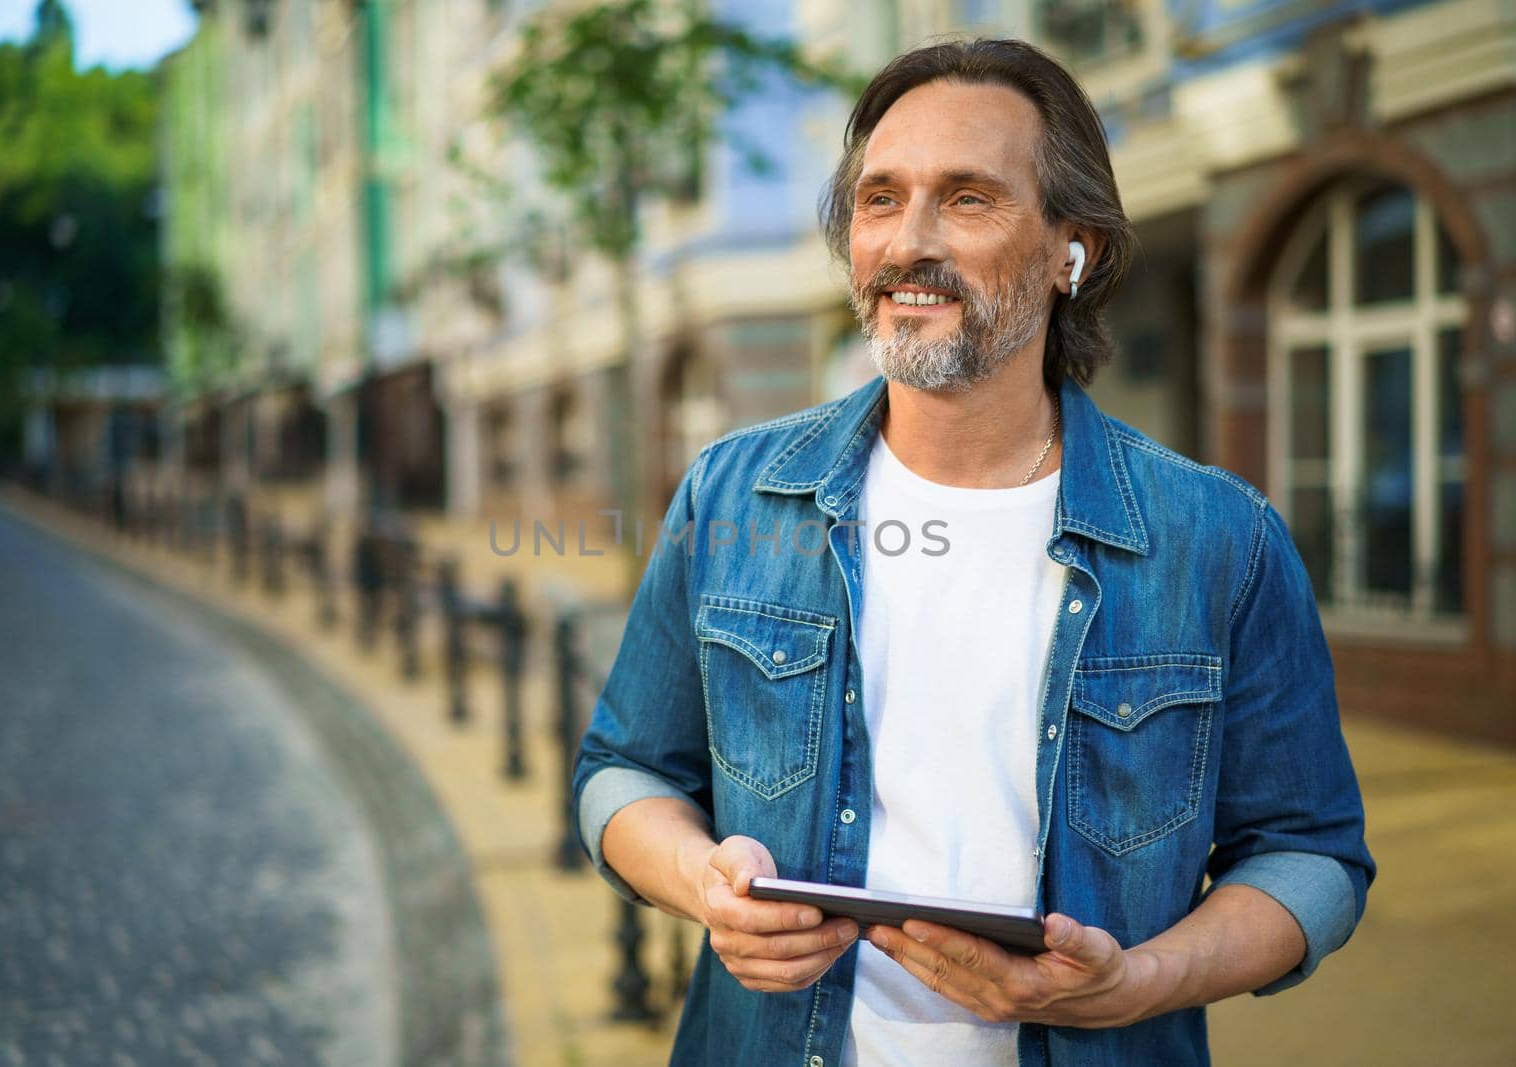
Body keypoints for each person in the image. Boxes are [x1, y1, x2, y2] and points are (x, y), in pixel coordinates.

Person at [572, 37, 1374, 1067]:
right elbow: (621, 769)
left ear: (1068, 251)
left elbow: (1311, 853)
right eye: (878, 198)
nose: (908, 241)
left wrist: (1140, 981)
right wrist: (703, 884)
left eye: (966, 199)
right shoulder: (734, 494)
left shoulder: (1219, 538)